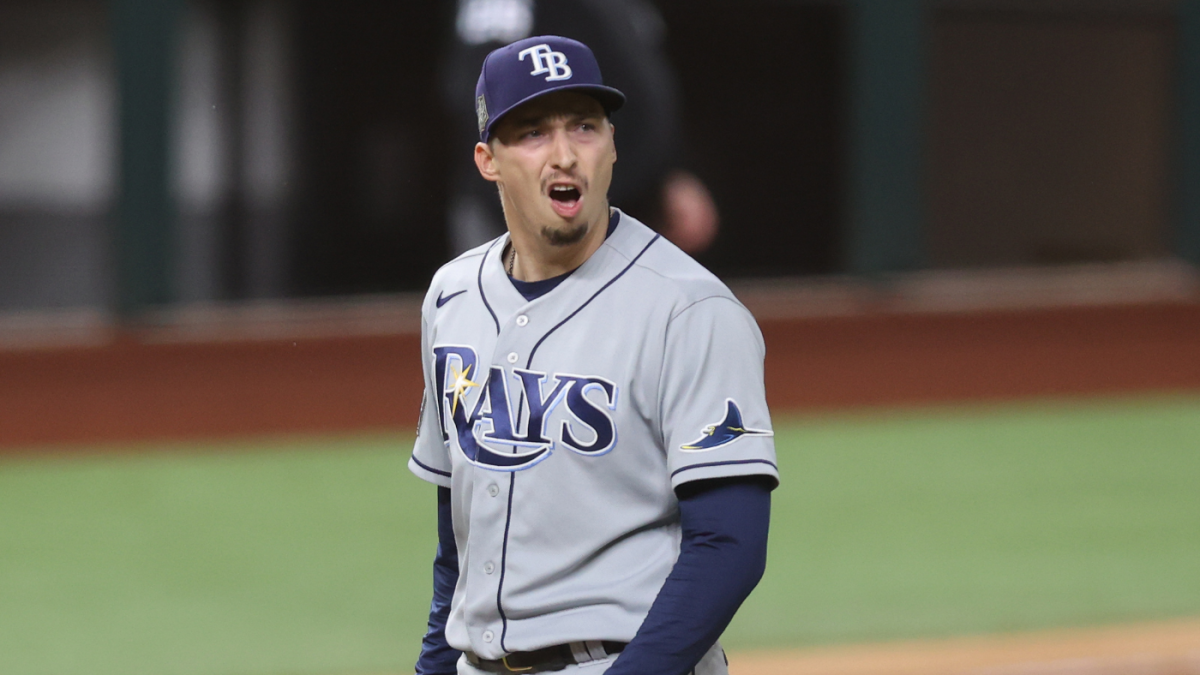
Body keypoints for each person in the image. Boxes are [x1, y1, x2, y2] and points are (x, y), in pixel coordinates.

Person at [410, 35, 778, 675]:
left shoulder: (688, 310)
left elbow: (730, 544)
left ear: (612, 146)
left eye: (584, 126)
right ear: (486, 160)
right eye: (531, 132)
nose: (564, 155)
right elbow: (458, 543)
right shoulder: (452, 297)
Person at [441, 0, 719, 256]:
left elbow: (644, 92)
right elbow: (482, 91)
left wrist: (671, 173)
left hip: (621, 202)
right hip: (526, 208)